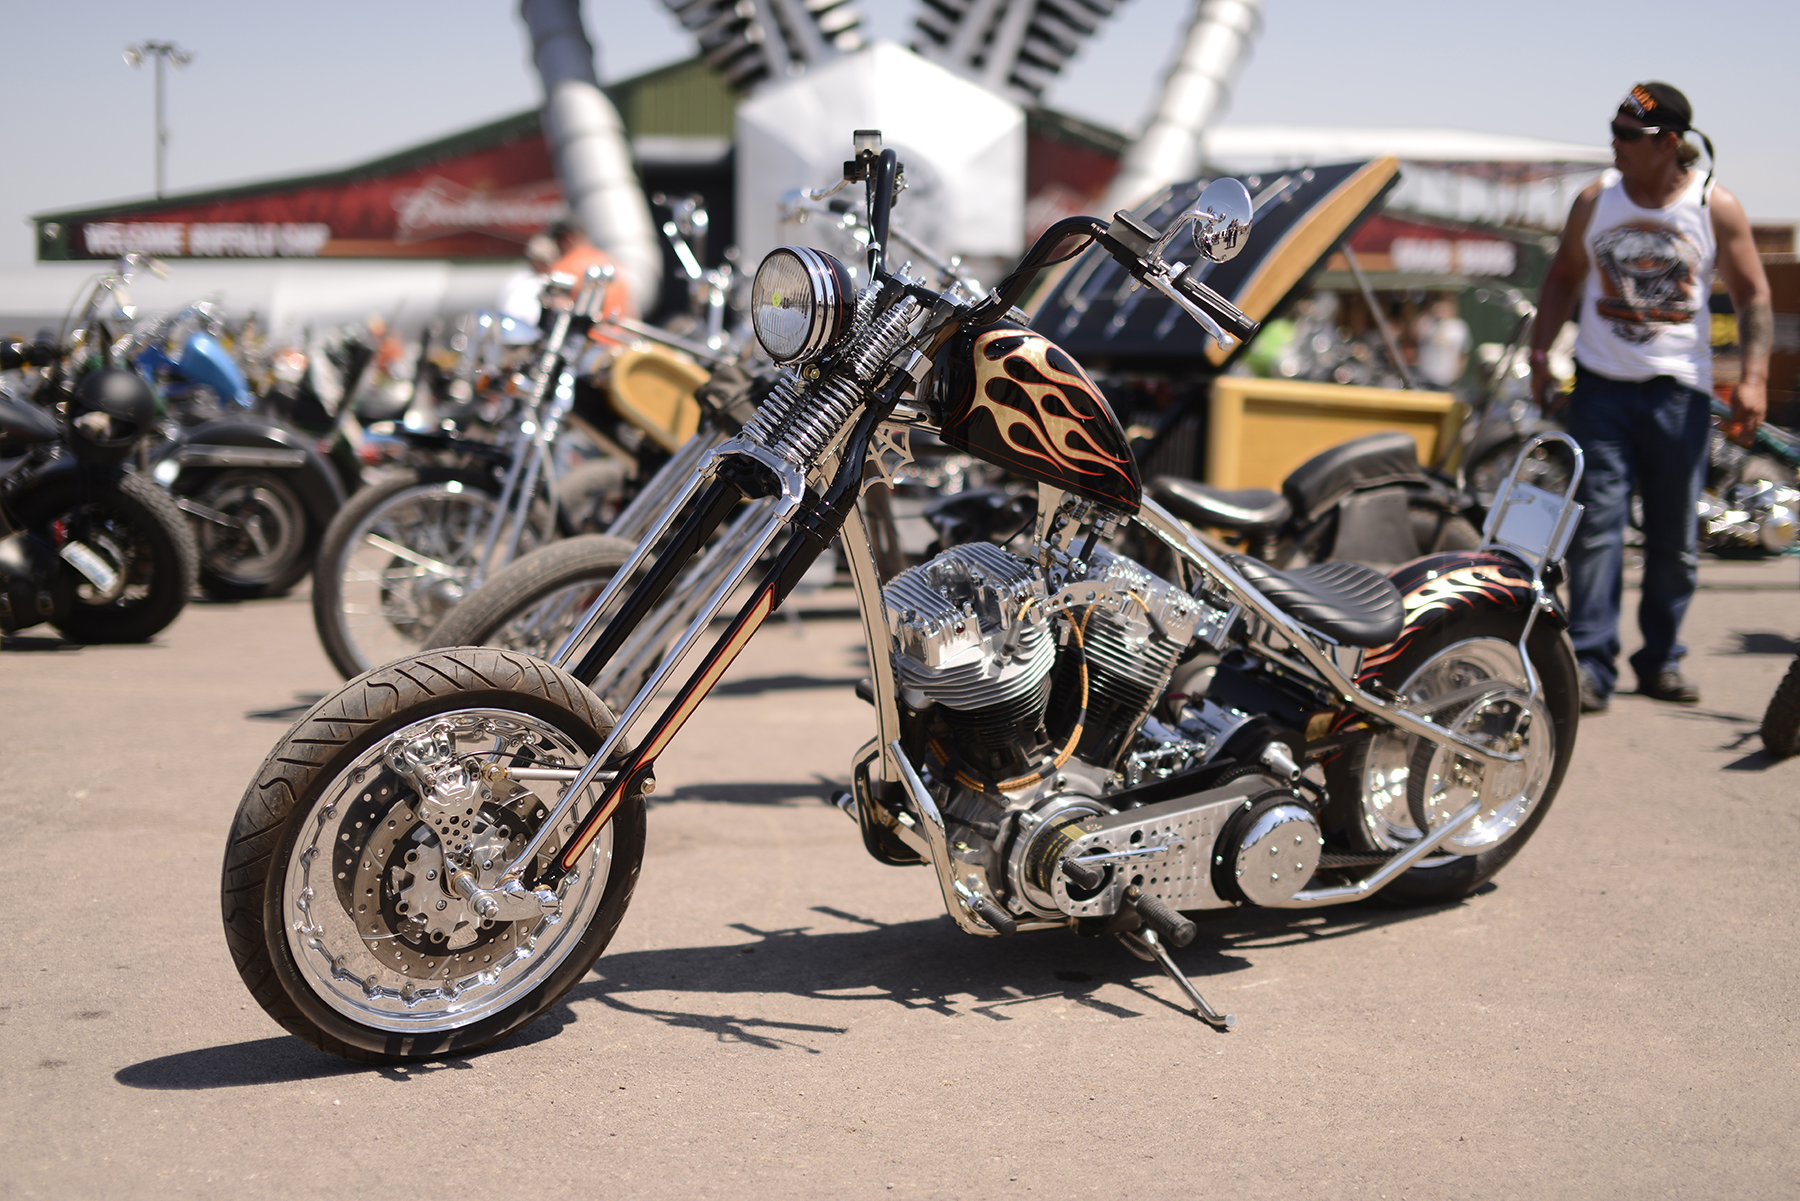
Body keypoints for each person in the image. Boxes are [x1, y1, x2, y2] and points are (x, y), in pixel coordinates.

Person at [1531, 82, 1772, 713]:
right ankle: (1591, 664)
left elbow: (1753, 296)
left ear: (1669, 144)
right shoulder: (1595, 201)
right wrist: (1538, 354)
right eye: (1612, 130)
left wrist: (1753, 378)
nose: (1614, 145)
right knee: (1599, 531)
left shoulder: (1714, 206)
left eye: (1627, 137)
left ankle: (1661, 659)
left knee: (1674, 541)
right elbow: (1561, 279)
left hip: (1679, 396)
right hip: (1602, 389)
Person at [1413, 294, 1472, 390]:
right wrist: (1430, 314)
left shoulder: (1458, 327)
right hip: (1425, 377)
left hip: (1446, 378)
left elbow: (1463, 354)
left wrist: (1458, 375)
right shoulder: (1428, 322)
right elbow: (1415, 334)